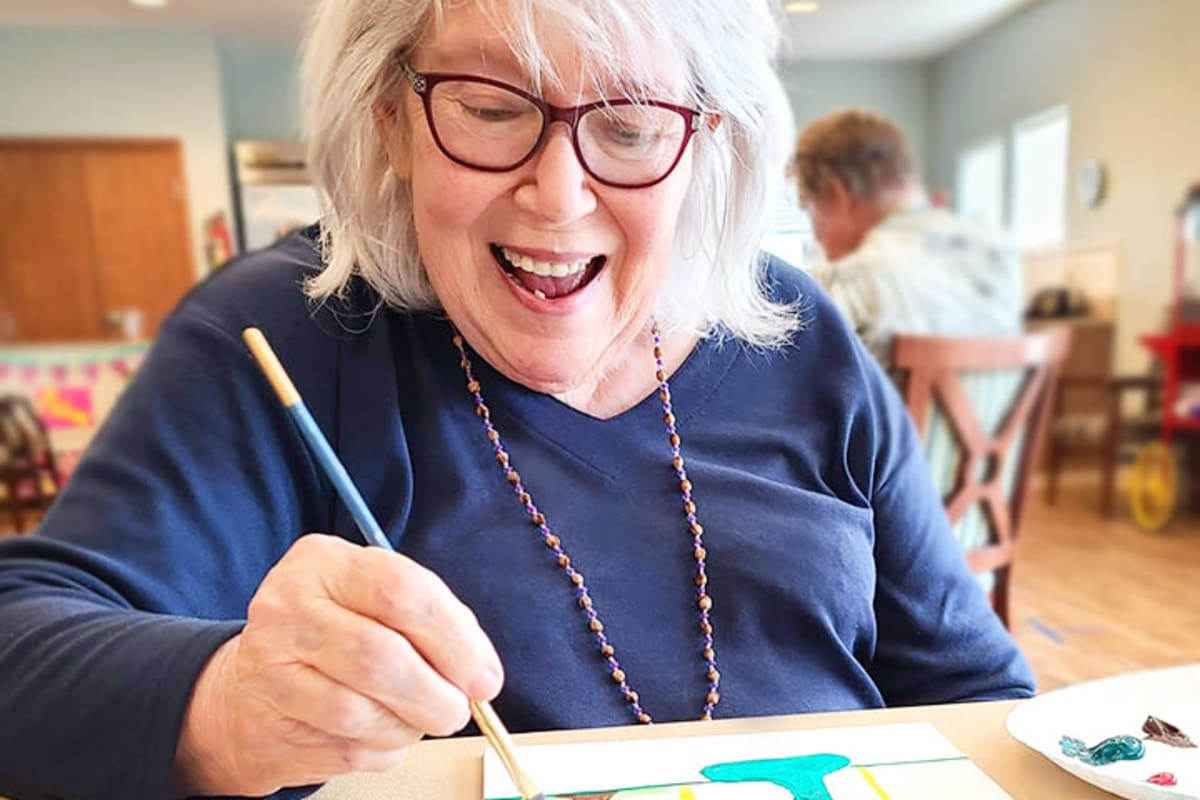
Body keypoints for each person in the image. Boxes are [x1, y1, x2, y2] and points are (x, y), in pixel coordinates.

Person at [0, 2, 1034, 798]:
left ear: (706, 149)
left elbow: (978, 693)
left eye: (629, 127)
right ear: (393, 122)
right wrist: (222, 700)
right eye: (490, 110)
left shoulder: (799, 331)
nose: (559, 194)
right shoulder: (285, 336)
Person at [791, 109, 1024, 367]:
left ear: (838, 195)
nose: (816, 236)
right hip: (996, 409)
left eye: (809, 210)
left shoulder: (853, 278)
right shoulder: (997, 249)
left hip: (901, 409)